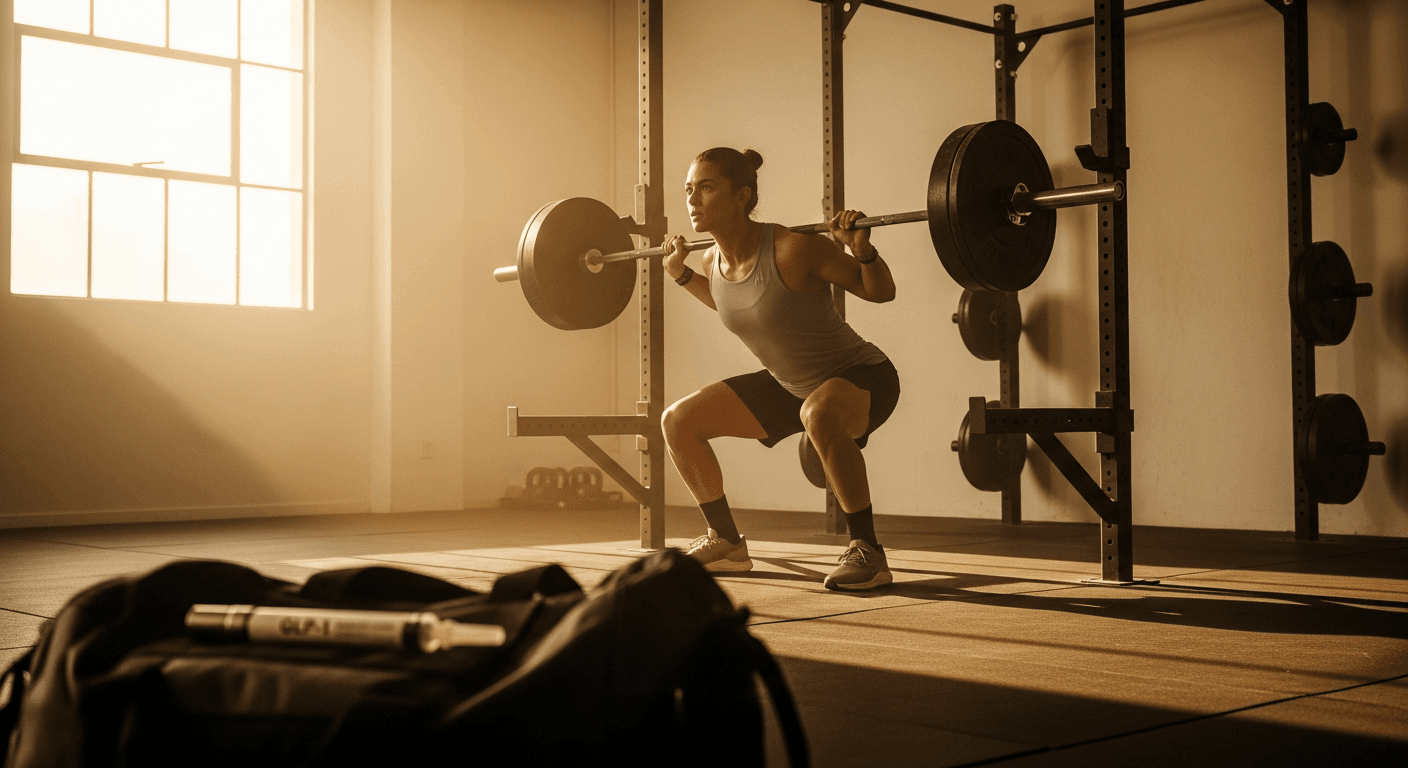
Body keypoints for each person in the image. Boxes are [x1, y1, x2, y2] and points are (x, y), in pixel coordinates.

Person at [661, 147, 901, 591]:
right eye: (689, 190)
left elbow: (880, 292)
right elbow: (733, 304)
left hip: (862, 376)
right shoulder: (711, 262)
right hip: (791, 388)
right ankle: (726, 542)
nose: (693, 200)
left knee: (818, 411)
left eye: (707, 188)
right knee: (678, 420)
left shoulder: (794, 249)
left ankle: (868, 550)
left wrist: (863, 252)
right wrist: (681, 276)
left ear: (742, 196)